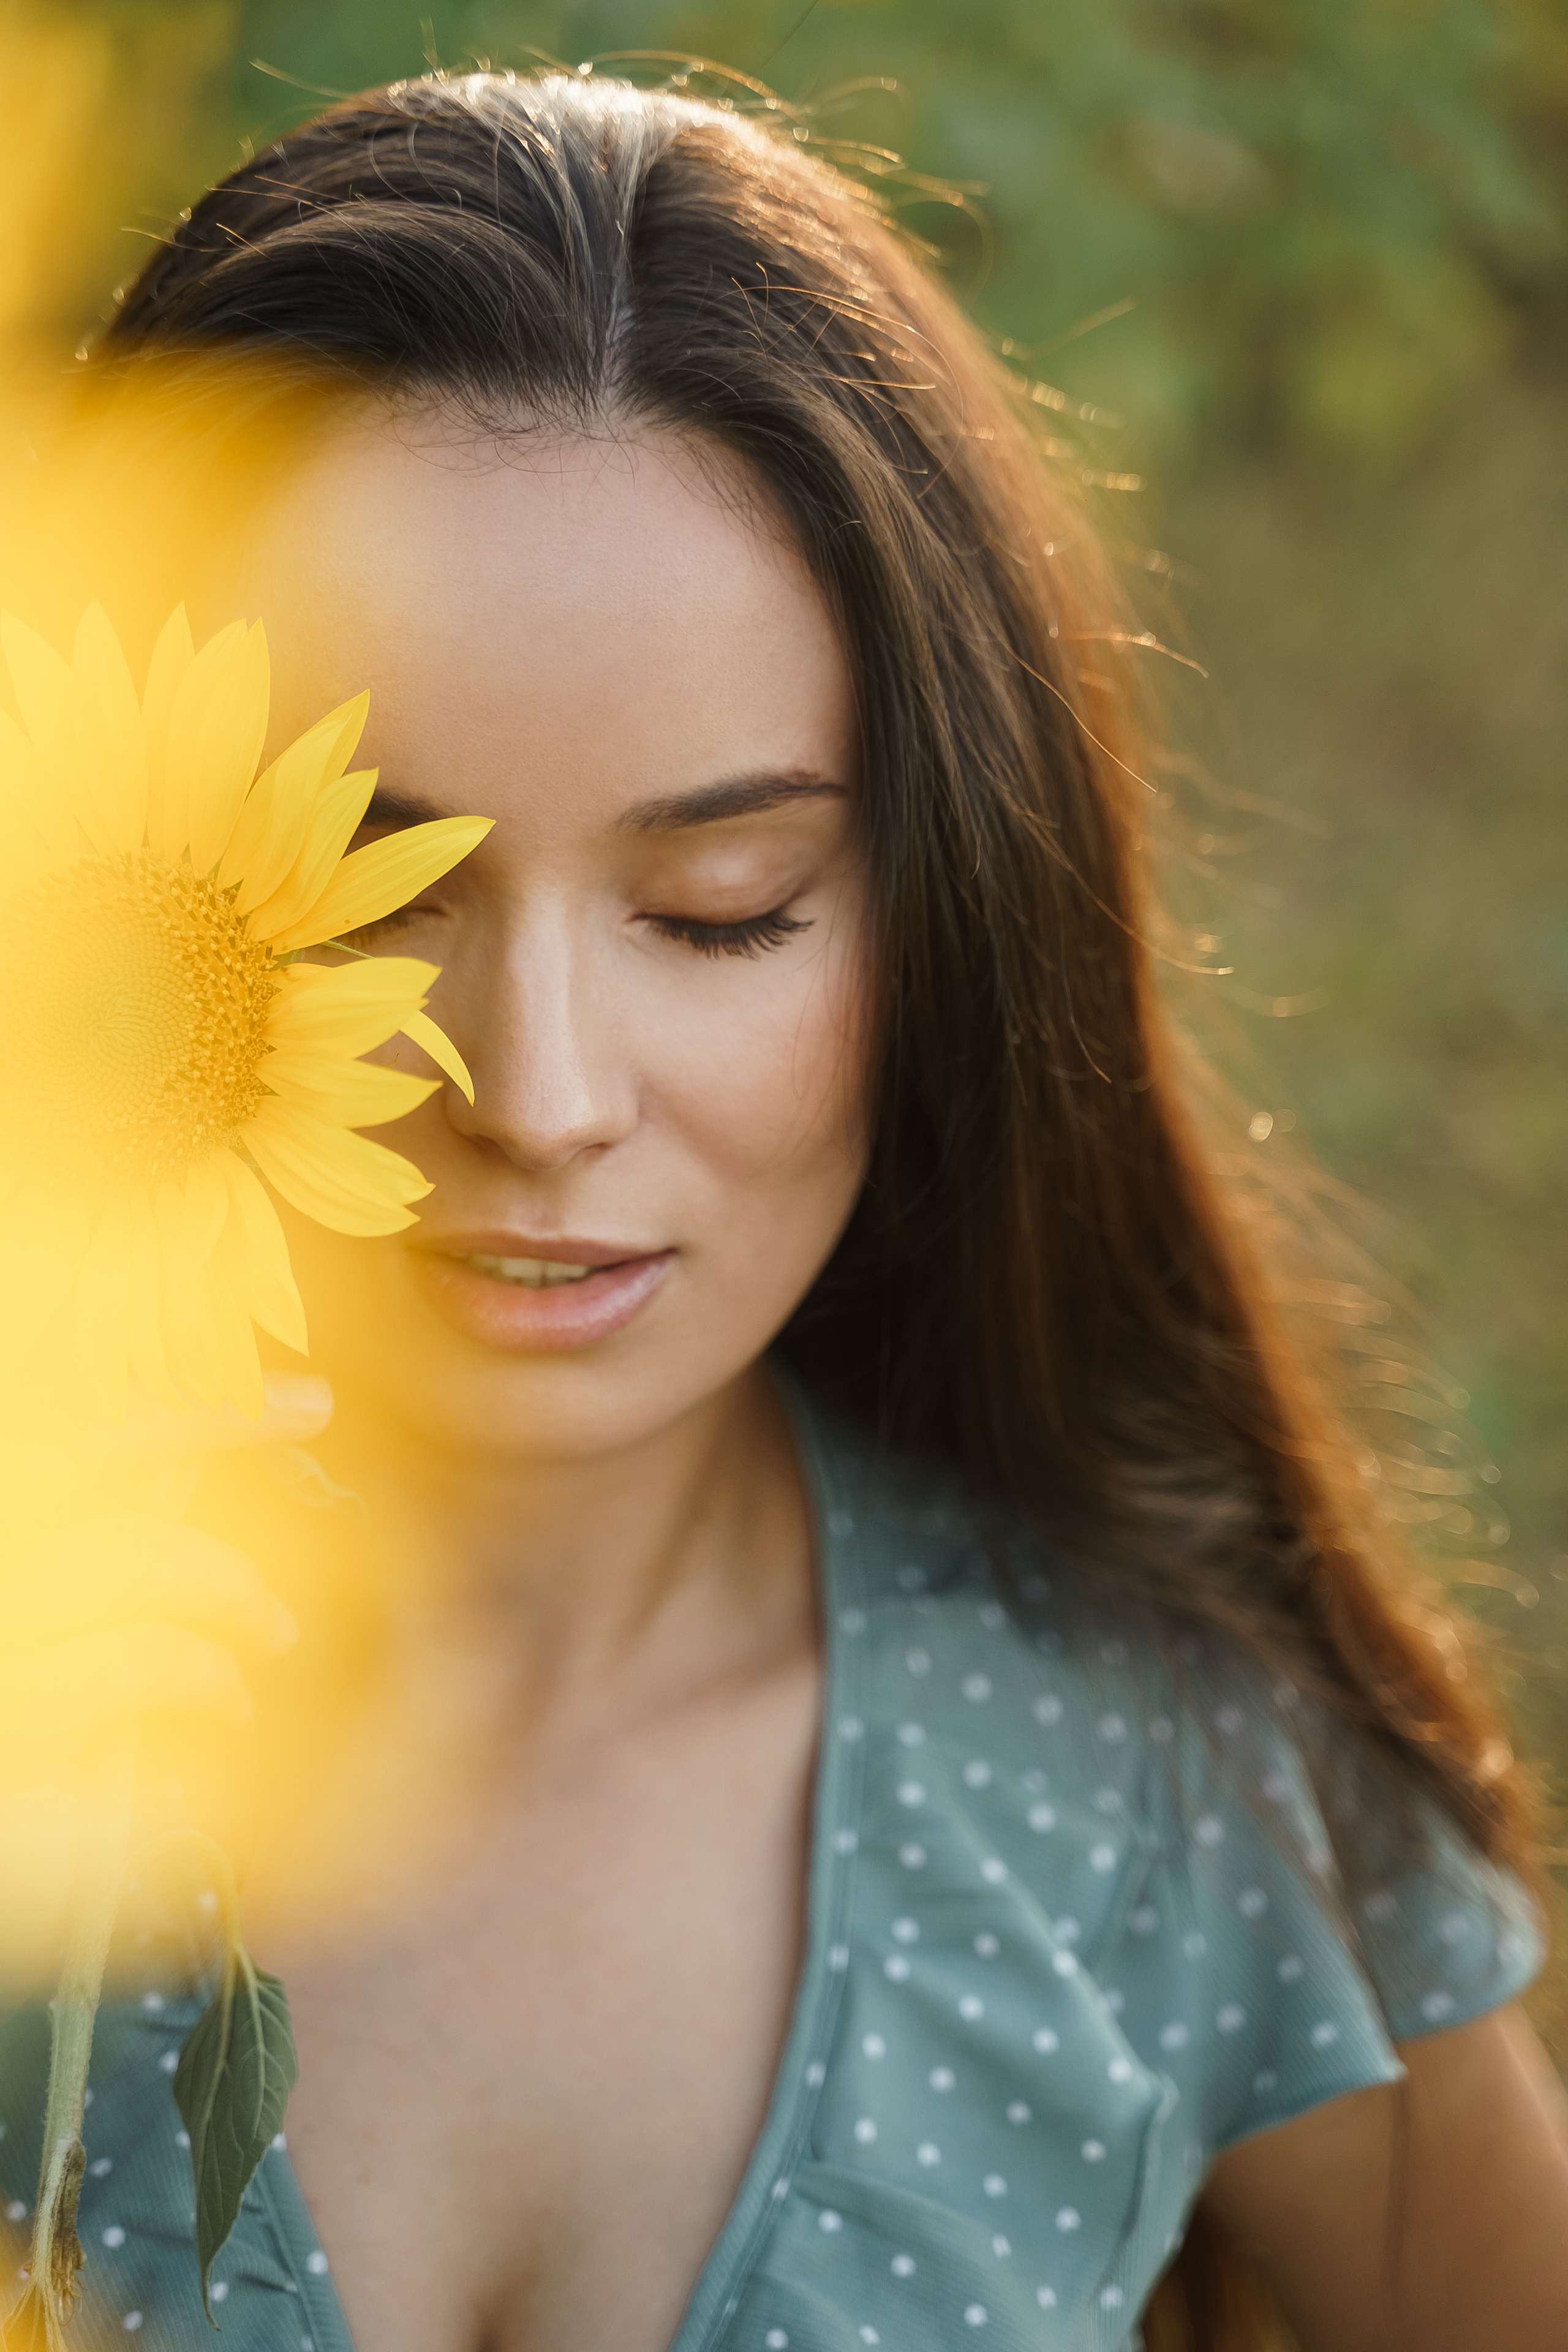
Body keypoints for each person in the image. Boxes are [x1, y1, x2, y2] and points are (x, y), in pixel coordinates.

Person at [1, 70, 1564, 2352]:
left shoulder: (1163, 1796)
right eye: (361, 904)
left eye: (726, 909)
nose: (536, 1097)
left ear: (950, 924)